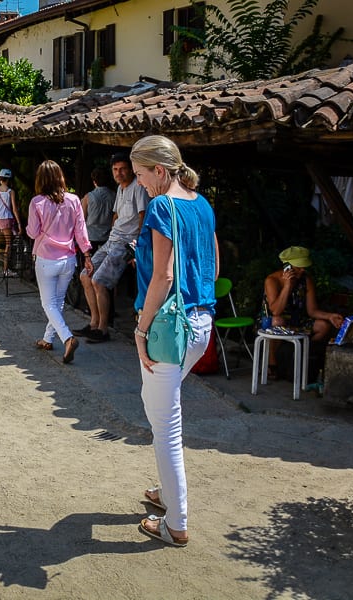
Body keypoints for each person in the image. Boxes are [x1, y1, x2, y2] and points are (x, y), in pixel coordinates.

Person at [130, 134, 219, 548]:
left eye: (141, 175)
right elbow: (213, 267)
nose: (140, 184)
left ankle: (177, 522)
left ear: (160, 171)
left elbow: (163, 277)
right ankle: (167, 494)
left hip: (170, 328)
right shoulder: (202, 205)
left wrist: (141, 330)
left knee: (165, 424)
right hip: (200, 322)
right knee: (159, 409)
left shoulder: (162, 205)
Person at [75, 154, 150, 343]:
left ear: (131, 169)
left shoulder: (138, 189)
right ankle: (94, 323)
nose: (119, 173)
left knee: (99, 281)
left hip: (125, 243)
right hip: (112, 239)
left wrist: (137, 246)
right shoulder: (120, 189)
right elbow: (116, 214)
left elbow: (143, 217)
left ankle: (103, 329)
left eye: (123, 169)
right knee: (85, 275)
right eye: (115, 169)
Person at [26, 160, 93, 364]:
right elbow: (81, 230)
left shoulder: (37, 202)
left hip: (46, 259)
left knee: (48, 303)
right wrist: (87, 255)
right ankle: (48, 338)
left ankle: (67, 338)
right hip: (69, 259)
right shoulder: (73, 200)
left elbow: (33, 232)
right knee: (58, 301)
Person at [261, 246, 344, 378]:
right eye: (298, 267)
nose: (302, 270)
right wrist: (288, 286)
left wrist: (330, 316)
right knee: (278, 321)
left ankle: (302, 355)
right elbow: (276, 310)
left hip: (297, 320)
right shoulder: (272, 280)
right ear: (287, 266)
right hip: (273, 321)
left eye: (304, 267)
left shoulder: (306, 280)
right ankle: (272, 364)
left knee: (323, 326)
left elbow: (312, 310)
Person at [81, 166, 117, 252]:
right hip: (108, 236)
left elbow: (82, 218)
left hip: (91, 236)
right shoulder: (115, 196)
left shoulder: (88, 197)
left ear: (94, 181)